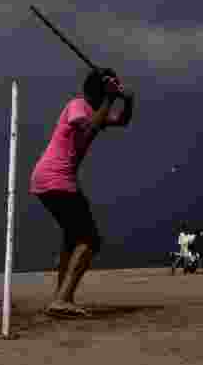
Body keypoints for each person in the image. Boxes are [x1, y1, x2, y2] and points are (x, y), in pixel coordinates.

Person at [30, 68, 135, 317]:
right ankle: (63, 298)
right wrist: (110, 98)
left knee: (72, 239)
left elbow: (122, 121)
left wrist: (128, 101)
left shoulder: (96, 110)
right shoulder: (77, 105)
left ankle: (60, 298)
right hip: (55, 179)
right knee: (90, 240)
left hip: (54, 179)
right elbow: (88, 128)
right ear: (99, 91)